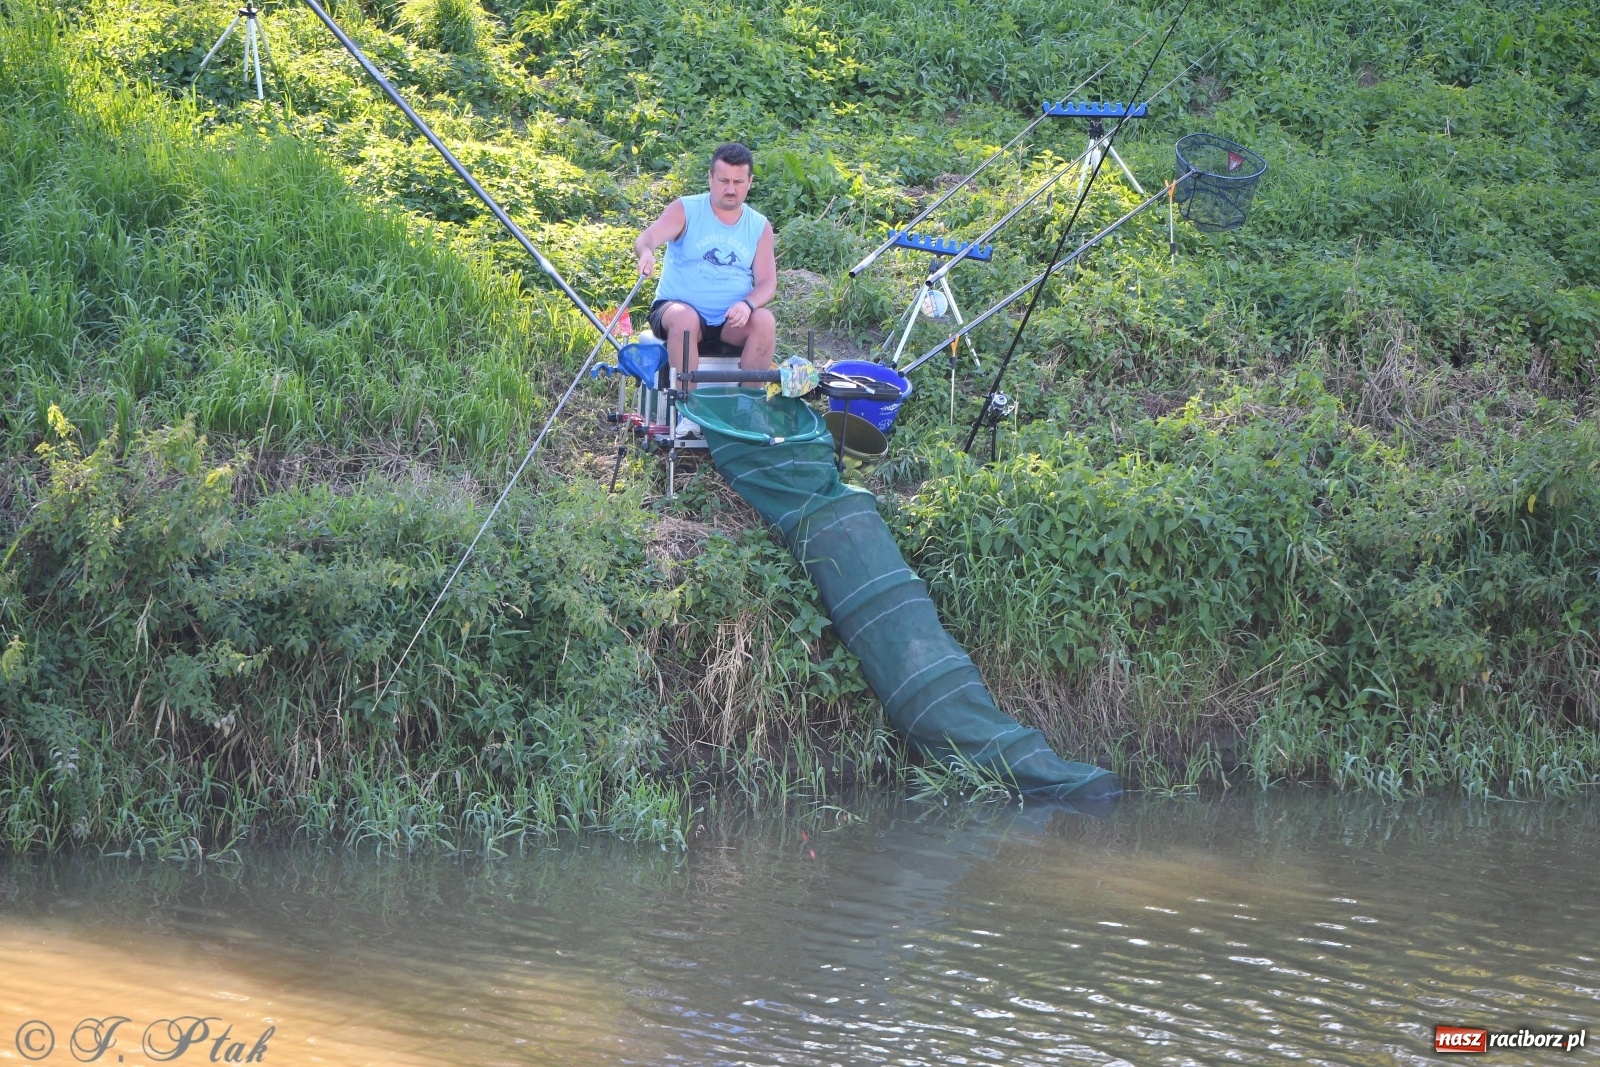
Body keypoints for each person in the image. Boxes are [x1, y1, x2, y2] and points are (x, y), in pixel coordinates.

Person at [634, 143, 776, 385]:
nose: (730, 189)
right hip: (678, 310)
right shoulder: (685, 210)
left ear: (750, 182)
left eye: (738, 182)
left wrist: (747, 305)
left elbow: (767, 282)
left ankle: (749, 407)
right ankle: (686, 410)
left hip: (731, 321)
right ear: (710, 178)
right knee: (684, 318)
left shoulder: (759, 226)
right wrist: (646, 252)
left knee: (765, 321)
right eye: (724, 180)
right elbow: (646, 238)